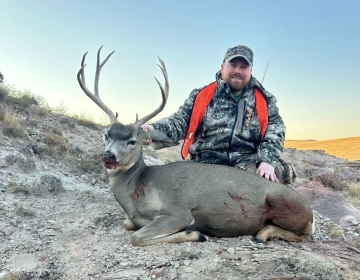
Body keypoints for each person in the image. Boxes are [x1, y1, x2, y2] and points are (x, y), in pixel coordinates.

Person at [142, 44, 296, 184]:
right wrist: (152, 130)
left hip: (245, 163)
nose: (238, 71)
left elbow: (276, 130)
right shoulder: (202, 95)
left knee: (281, 171)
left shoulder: (264, 99)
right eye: (233, 65)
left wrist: (267, 160)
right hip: (207, 164)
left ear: (250, 70)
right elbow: (179, 122)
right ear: (222, 67)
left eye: (243, 67)